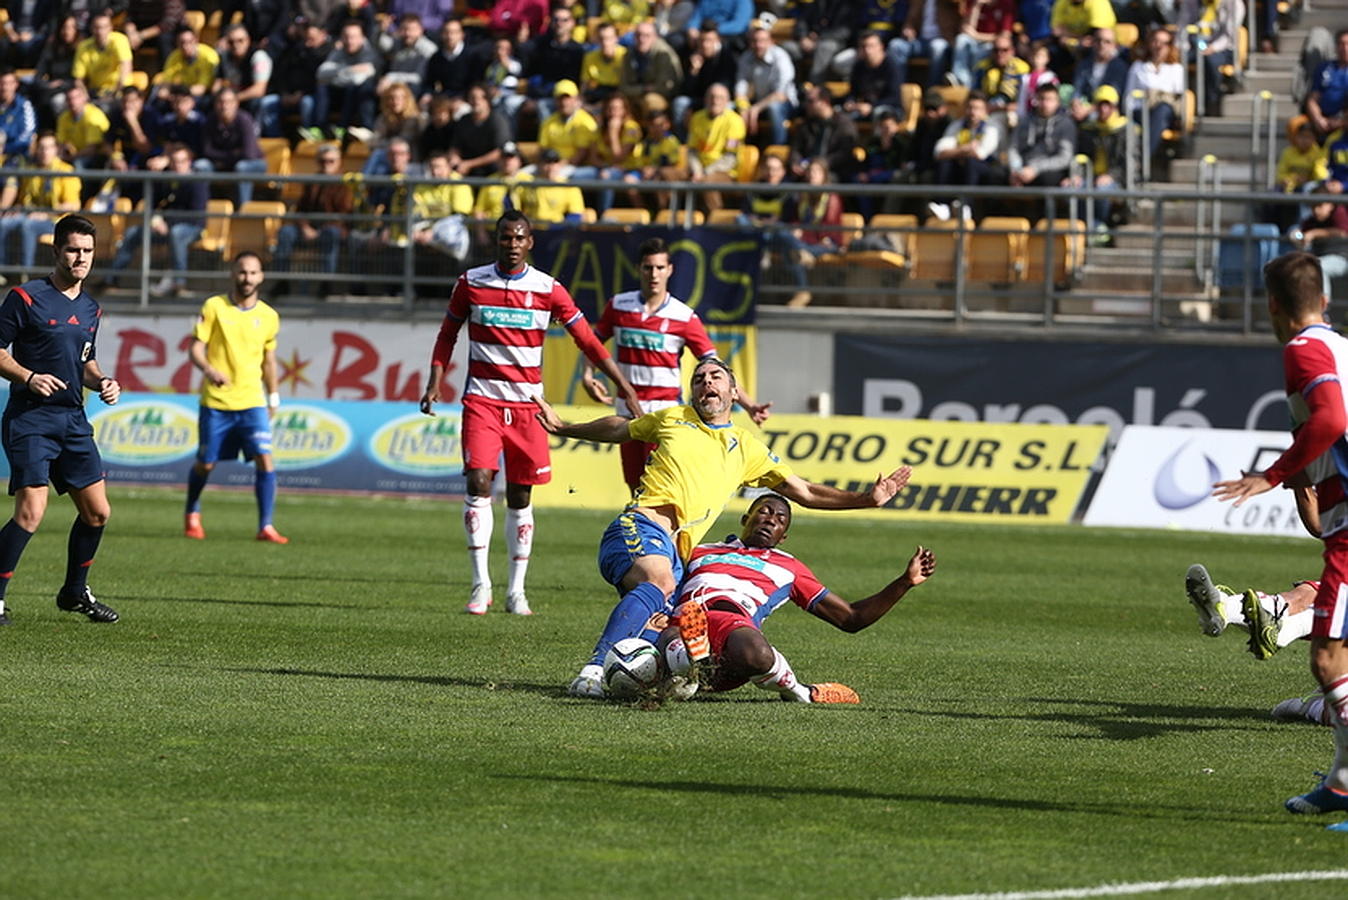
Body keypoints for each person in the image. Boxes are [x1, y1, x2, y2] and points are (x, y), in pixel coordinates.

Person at [533, 356, 912, 698]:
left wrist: (867, 498)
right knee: (660, 583)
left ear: (733, 391)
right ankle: (593, 671)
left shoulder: (747, 448)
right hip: (641, 526)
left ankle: (657, 680)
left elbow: (804, 490)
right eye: (698, 379)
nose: (706, 383)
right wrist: (565, 428)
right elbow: (621, 429)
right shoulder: (673, 418)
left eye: (715, 377)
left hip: (676, 553)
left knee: (664, 623)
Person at [419, 210, 642, 618]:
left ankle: (516, 590)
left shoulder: (548, 289)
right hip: (482, 400)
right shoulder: (471, 283)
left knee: (521, 496)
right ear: (497, 240)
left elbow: (588, 341)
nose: (513, 244)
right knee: (479, 481)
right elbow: (447, 333)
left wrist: (623, 385)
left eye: (519, 238)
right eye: (506, 237)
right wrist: (436, 379)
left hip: (528, 407)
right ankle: (480, 583)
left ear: (530, 242)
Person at [1213, 251, 1348, 823]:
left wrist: (1270, 474)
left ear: (1272, 304)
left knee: (1327, 661)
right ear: (1323, 296)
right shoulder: (1341, 344)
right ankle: (1342, 785)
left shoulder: (1302, 350)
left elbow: (1331, 420)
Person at [653, 494, 937, 703]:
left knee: (756, 653)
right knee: (670, 635)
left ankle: (797, 691)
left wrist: (904, 583)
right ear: (745, 519)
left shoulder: (789, 567)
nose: (770, 520)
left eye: (780, 520)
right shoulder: (701, 550)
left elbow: (851, 618)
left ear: (783, 536)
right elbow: (663, 583)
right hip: (689, 615)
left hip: (733, 625)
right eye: (764, 512)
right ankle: (687, 667)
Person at [0, 214, 121, 627]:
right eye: (73, 249)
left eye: (87, 251)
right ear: (56, 251)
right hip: (30, 418)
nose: (80, 258)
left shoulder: (91, 307)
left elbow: (84, 361)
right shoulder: (25, 297)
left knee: (98, 512)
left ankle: (74, 592)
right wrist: (28, 377)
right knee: (32, 510)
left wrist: (103, 380)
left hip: (73, 419)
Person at [582, 237, 770, 493]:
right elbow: (593, 343)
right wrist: (587, 372)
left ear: (670, 270)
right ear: (639, 268)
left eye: (660, 268)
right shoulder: (618, 306)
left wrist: (748, 404)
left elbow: (715, 367)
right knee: (636, 486)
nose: (654, 274)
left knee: (661, 486)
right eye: (648, 267)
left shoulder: (683, 316)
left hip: (665, 413)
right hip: (627, 412)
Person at [183, 252, 287, 544]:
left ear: (261, 276)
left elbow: (269, 361)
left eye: (253, 273)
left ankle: (265, 526)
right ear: (233, 274)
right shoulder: (215, 307)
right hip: (217, 402)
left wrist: (274, 397)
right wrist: (208, 369)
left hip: (252, 401)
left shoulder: (268, 316)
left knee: (265, 460)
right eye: (242, 272)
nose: (247, 278)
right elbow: (195, 348)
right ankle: (192, 510)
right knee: (206, 464)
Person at [0, 132, 80, 274]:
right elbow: (25, 198)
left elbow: (73, 205)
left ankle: (26, 272)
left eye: (48, 148)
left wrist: (45, 214)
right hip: (31, 215)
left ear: (56, 150)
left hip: (56, 220)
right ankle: (2, 269)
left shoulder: (66, 171)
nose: (44, 152)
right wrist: (19, 208)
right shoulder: (31, 170)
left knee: (28, 226)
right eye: (41, 148)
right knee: (3, 222)